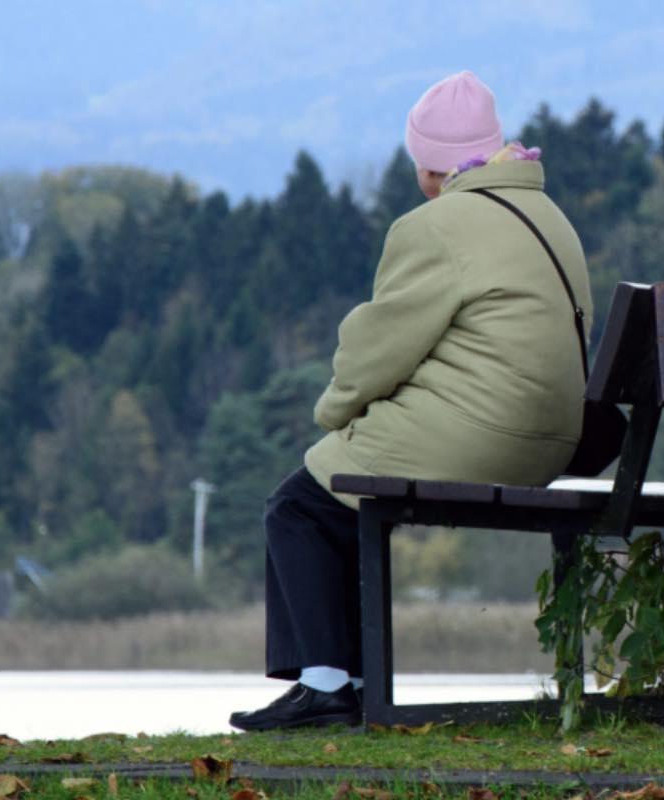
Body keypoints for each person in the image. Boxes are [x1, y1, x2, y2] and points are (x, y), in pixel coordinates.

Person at [228, 71, 592, 732]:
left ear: (430, 168)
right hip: (551, 443)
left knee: (301, 503)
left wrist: (337, 416)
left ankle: (327, 685)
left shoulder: (437, 226)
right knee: (339, 502)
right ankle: (352, 682)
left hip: (478, 435)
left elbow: (378, 349)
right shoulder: (550, 218)